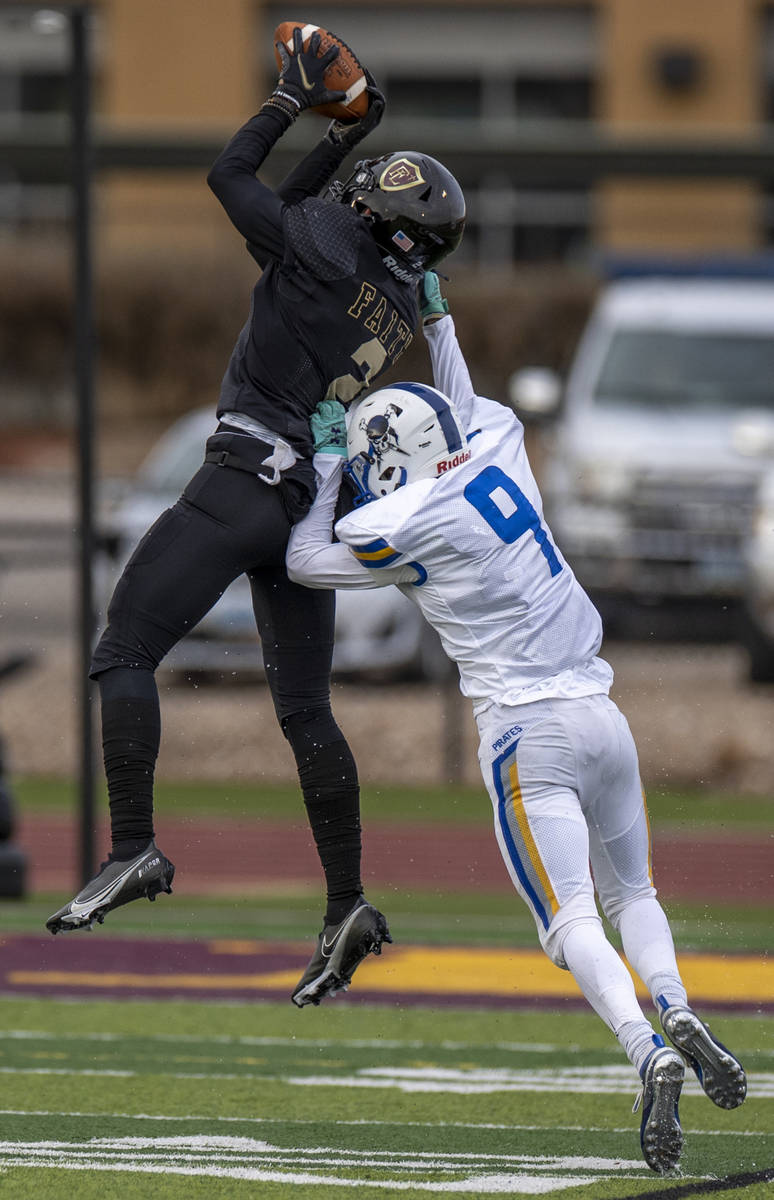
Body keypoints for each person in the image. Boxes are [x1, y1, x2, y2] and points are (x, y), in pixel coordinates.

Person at [285, 272, 747, 1172]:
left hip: (526, 735)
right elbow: (459, 409)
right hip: (604, 715)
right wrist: (437, 320)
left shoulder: (403, 517)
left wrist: (333, 460)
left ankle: (646, 1052)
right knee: (635, 895)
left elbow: (307, 559)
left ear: (390, 460)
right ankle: (678, 1005)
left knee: (569, 919)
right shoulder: (498, 449)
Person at [45, 32, 466, 1011]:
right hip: (304, 513)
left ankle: (134, 844)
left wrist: (292, 105)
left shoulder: (322, 244)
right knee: (307, 711)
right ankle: (348, 902)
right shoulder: (397, 299)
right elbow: (312, 219)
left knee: (122, 652)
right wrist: (344, 133)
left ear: (381, 214)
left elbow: (234, 177)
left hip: (241, 482)